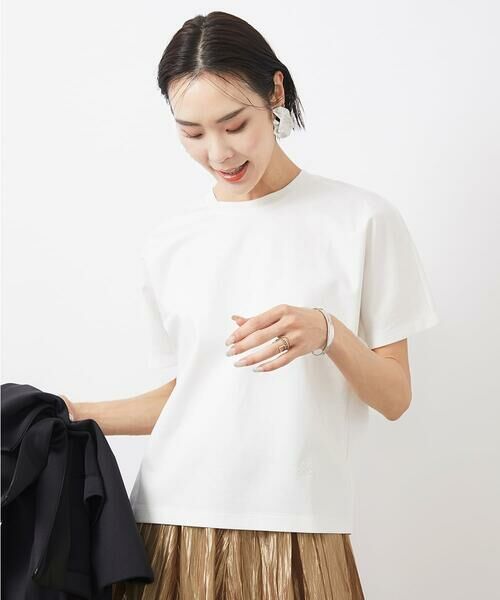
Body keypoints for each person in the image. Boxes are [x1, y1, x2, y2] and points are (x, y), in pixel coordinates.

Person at [61, 10, 440, 599]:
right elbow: (192, 399)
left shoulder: (361, 220)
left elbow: (395, 396)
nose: (218, 152)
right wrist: (68, 412)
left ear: (275, 93)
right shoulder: (171, 243)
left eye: (234, 124)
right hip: (170, 522)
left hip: (299, 529)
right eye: (192, 133)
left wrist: (328, 332)